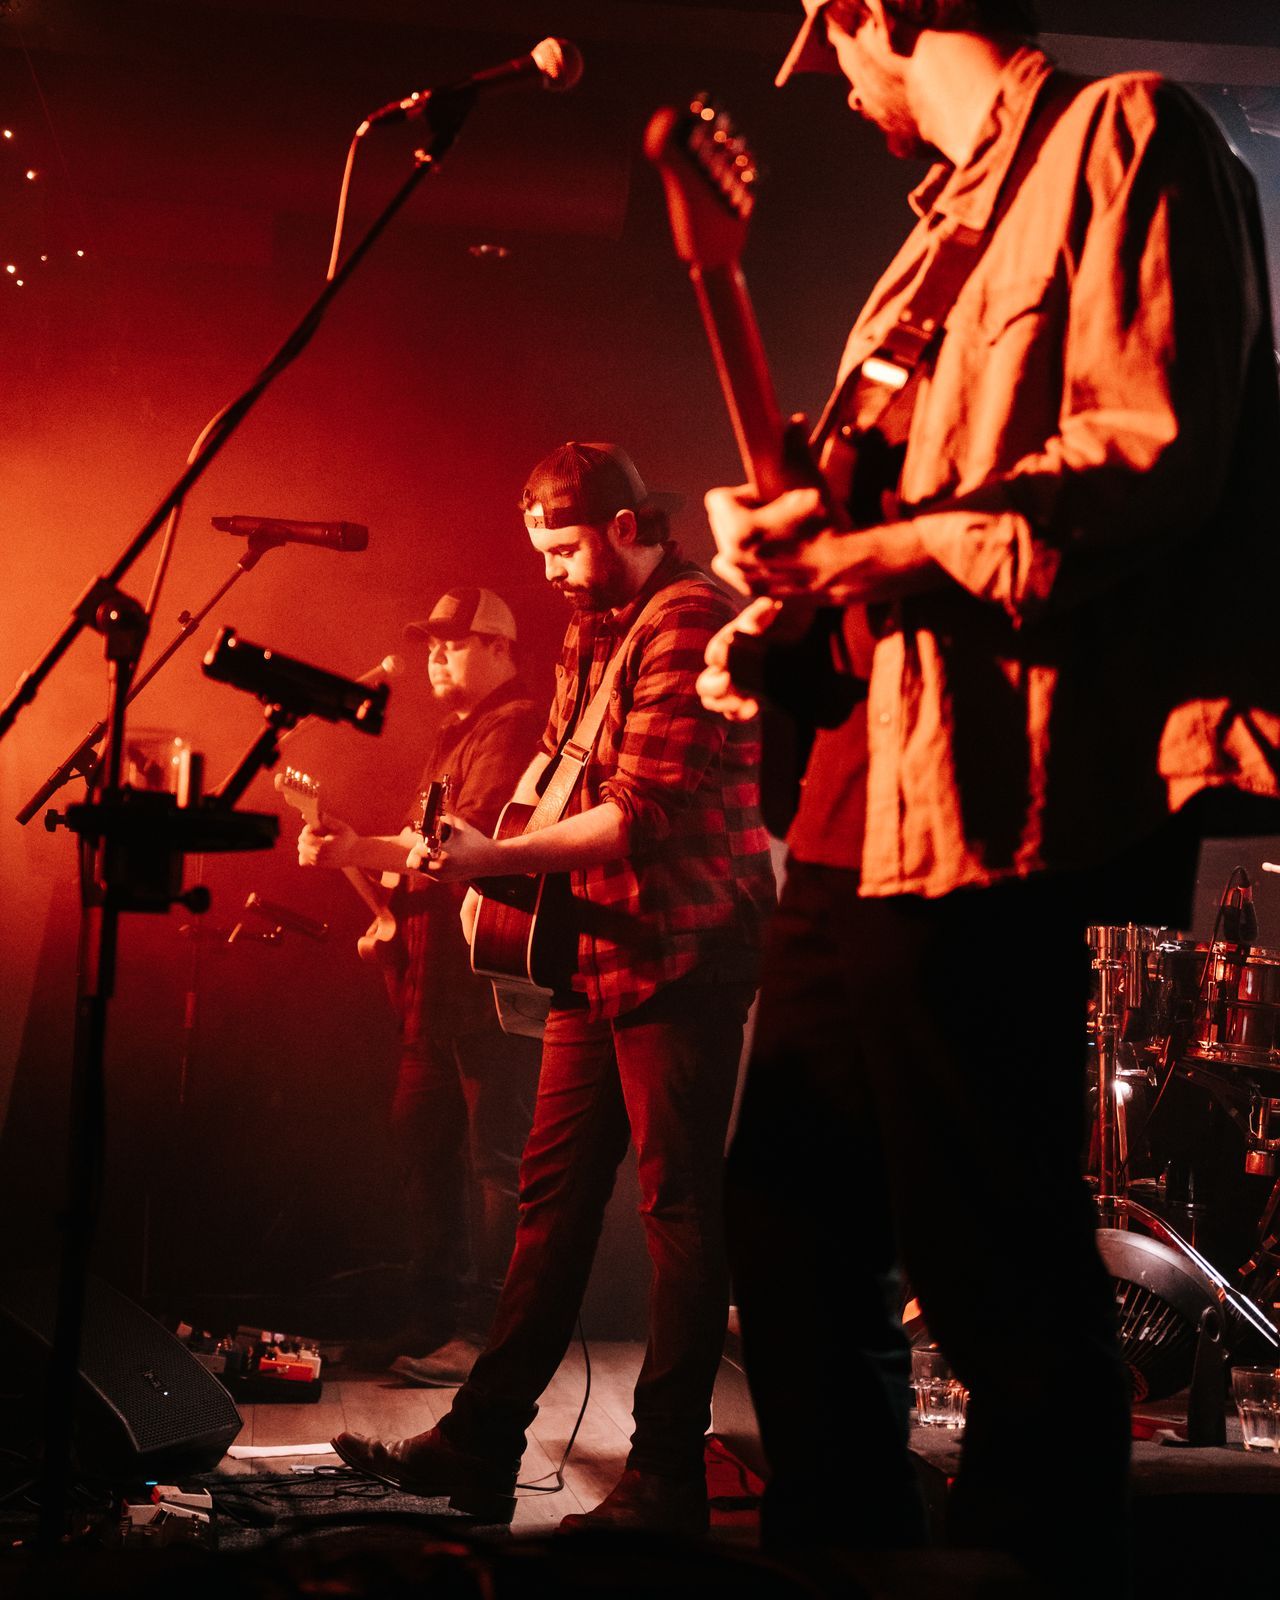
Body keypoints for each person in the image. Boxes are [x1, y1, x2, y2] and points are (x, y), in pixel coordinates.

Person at [696, 1, 1280, 1593]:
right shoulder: (926, 251)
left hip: (992, 796)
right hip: (850, 796)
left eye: (839, 53)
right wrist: (774, 607)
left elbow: (1158, 453)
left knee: (994, 1259)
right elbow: (863, 523)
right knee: (791, 1233)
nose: (844, 93)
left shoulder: (1130, 134)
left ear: (879, 10)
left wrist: (874, 555)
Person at [332, 441, 776, 1533]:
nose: (553, 574)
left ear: (627, 525)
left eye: (566, 547)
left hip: (681, 953)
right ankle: (481, 1443)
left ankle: (665, 1474)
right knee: (549, 1197)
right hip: (595, 952)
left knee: (675, 1210)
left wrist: (487, 861)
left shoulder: (685, 616)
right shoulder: (593, 626)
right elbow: (573, 784)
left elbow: (642, 812)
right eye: (540, 552)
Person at [298, 587, 543, 1381]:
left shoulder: (511, 726)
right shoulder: (457, 734)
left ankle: (485, 1339)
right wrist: (370, 882)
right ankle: (433, 1323)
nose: (436, 653)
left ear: (502, 650)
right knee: (426, 1151)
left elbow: (453, 844)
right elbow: (419, 859)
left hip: (485, 991)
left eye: (456, 640)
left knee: (493, 1163)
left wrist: (356, 848)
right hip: (437, 991)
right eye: (431, 642)